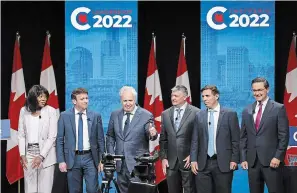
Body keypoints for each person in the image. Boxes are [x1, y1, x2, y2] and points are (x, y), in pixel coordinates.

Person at [240, 77, 289, 193]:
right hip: (252, 162)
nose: (257, 93)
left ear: (268, 89)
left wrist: (278, 157)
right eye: (254, 90)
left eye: (260, 90)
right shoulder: (247, 110)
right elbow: (243, 137)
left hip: (272, 161)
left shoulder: (278, 108)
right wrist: (243, 158)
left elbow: (284, 136)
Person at [106, 86, 158, 193]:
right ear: (121, 100)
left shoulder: (145, 115)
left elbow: (150, 132)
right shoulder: (115, 114)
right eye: (125, 100)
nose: (127, 103)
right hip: (120, 164)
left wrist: (153, 133)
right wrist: (112, 156)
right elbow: (110, 136)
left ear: (135, 100)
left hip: (138, 166)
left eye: (130, 100)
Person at [190, 85, 240, 193]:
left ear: (216, 96)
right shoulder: (199, 115)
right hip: (203, 163)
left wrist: (234, 159)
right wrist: (193, 159)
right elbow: (195, 139)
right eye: (203, 96)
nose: (204, 99)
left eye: (207, 96)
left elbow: (236, 140)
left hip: (223, 163)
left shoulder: (230, 114)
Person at [56, 88, 105, 193]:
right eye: (82, 99)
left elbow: (100, 139)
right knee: (75, 190)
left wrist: (102, 160)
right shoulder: (64, 116)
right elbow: (59, 140)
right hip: (72, 159)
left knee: (92, 190)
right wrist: (61, 160)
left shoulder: (95, 116)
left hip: (90, 158)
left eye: (87, 98)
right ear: (74, 101)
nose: (86, 101)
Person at [159, 85, 200, 193]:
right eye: (172, 95)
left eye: (176, 96)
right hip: (171, 162)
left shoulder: (196, 112)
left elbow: (200, 137)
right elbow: (163, 138)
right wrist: (163, 158)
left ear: (185, 97)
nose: (173, 98)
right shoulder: (165, 114)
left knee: (189, 190)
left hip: (188, 160)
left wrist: (193, 155)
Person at [18, 85, 57, 193]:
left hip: (46, 156)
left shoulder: (51, 111)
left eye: (45, 96)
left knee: (45, 190)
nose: (44, 99)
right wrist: (22, 154)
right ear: (33, 97)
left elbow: (52, 136)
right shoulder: (23, 111)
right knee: (30, 190)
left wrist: (41, 156)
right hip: (29, 156)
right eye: (40, 96)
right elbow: (21, 135)